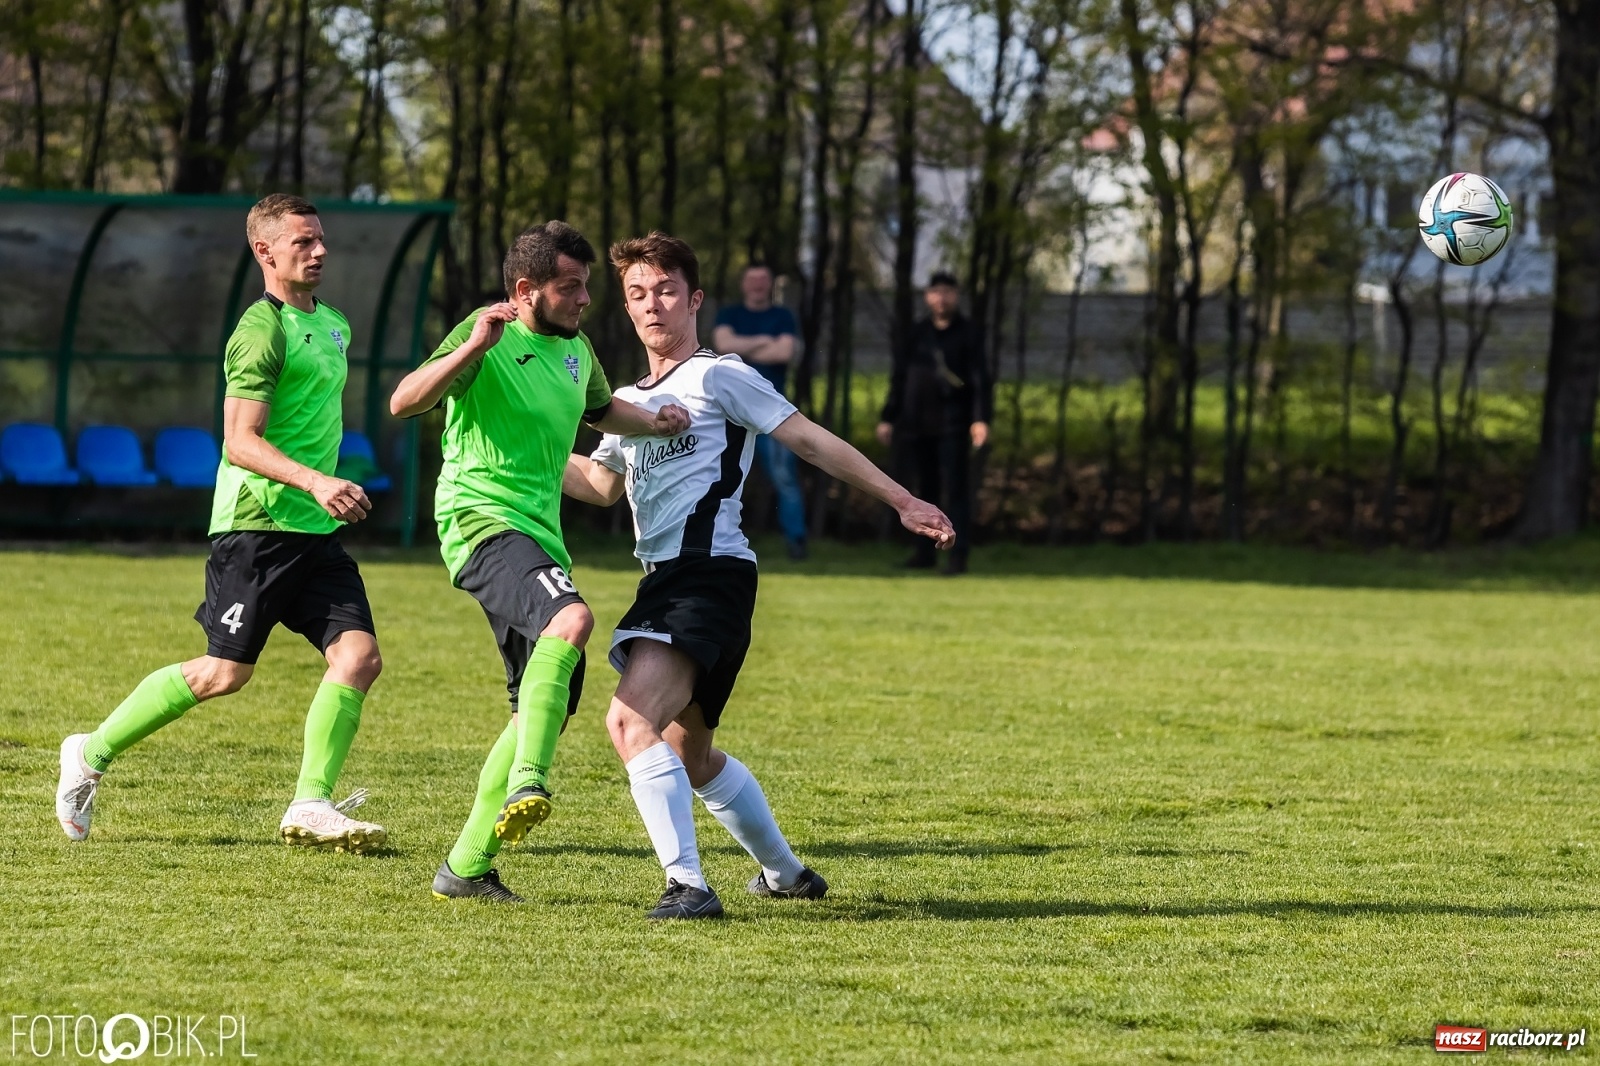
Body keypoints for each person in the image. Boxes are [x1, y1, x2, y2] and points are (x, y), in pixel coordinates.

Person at [563, 232, 954, 920]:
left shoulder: (720, 375)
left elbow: (807, 438)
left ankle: (687, 887)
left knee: (629, 722)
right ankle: (787, 874)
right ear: (624, 308)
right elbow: (598, 485)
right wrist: (513, 447)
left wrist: (903, 499)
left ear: (694, 299)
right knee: (690, 754)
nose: (652, 305)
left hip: (707, 575)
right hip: (681, 582)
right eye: (636, 294)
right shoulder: (625, 400)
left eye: (665, 290)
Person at [55, 193, 387, 852]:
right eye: (303, 243)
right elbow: (240, 441)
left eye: (321, 239)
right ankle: (88, 754)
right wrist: (318, 480)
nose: (319, 251)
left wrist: (323, 490)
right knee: (223, 674)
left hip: (314, 533)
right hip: (257, 527)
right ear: (265, 252)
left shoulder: (336, 325)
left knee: (359, 658)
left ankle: (311, 803)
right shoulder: (260, 331)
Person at [389, 221, 689, 904]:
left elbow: (603, 411)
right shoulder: (487, 333)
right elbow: (405, 402)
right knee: (573, 618)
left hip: (540, 538)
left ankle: (465, 868)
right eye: (571, 287)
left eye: (586, 285)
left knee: (540, 706)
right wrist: (470, 347)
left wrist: (657, 422)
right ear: (525, 292)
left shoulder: (578, 349)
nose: (586, 299)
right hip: (479, 522)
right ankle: (530, 779)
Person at [875, 271, 991, 575]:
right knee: (923, 491)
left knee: (956, 491)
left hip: (953, 424)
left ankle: (957, 556)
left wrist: (980, 419)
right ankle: (924, 552)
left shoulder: (969, 333)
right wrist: (888, 416)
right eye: (936, 291)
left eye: (948, 291)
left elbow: (980, 379)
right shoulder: (916, 333)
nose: (942, 298)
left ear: (956, 295)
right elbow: (899, 378)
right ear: (928, 296)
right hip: (916, 424)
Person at [711, 263, 808, 560]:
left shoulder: (782, 316)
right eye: (752, 280)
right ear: (743, 284)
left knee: (784, 477)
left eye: (762, 281)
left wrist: (743, 349)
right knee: (715, 476)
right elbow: (723, 345)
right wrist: (766, 341)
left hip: (771, 411)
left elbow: (784, 352)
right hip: (726, 411)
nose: (757, 286)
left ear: (769, 285)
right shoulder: (729, 314)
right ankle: (711, 540)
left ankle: (797, 542)